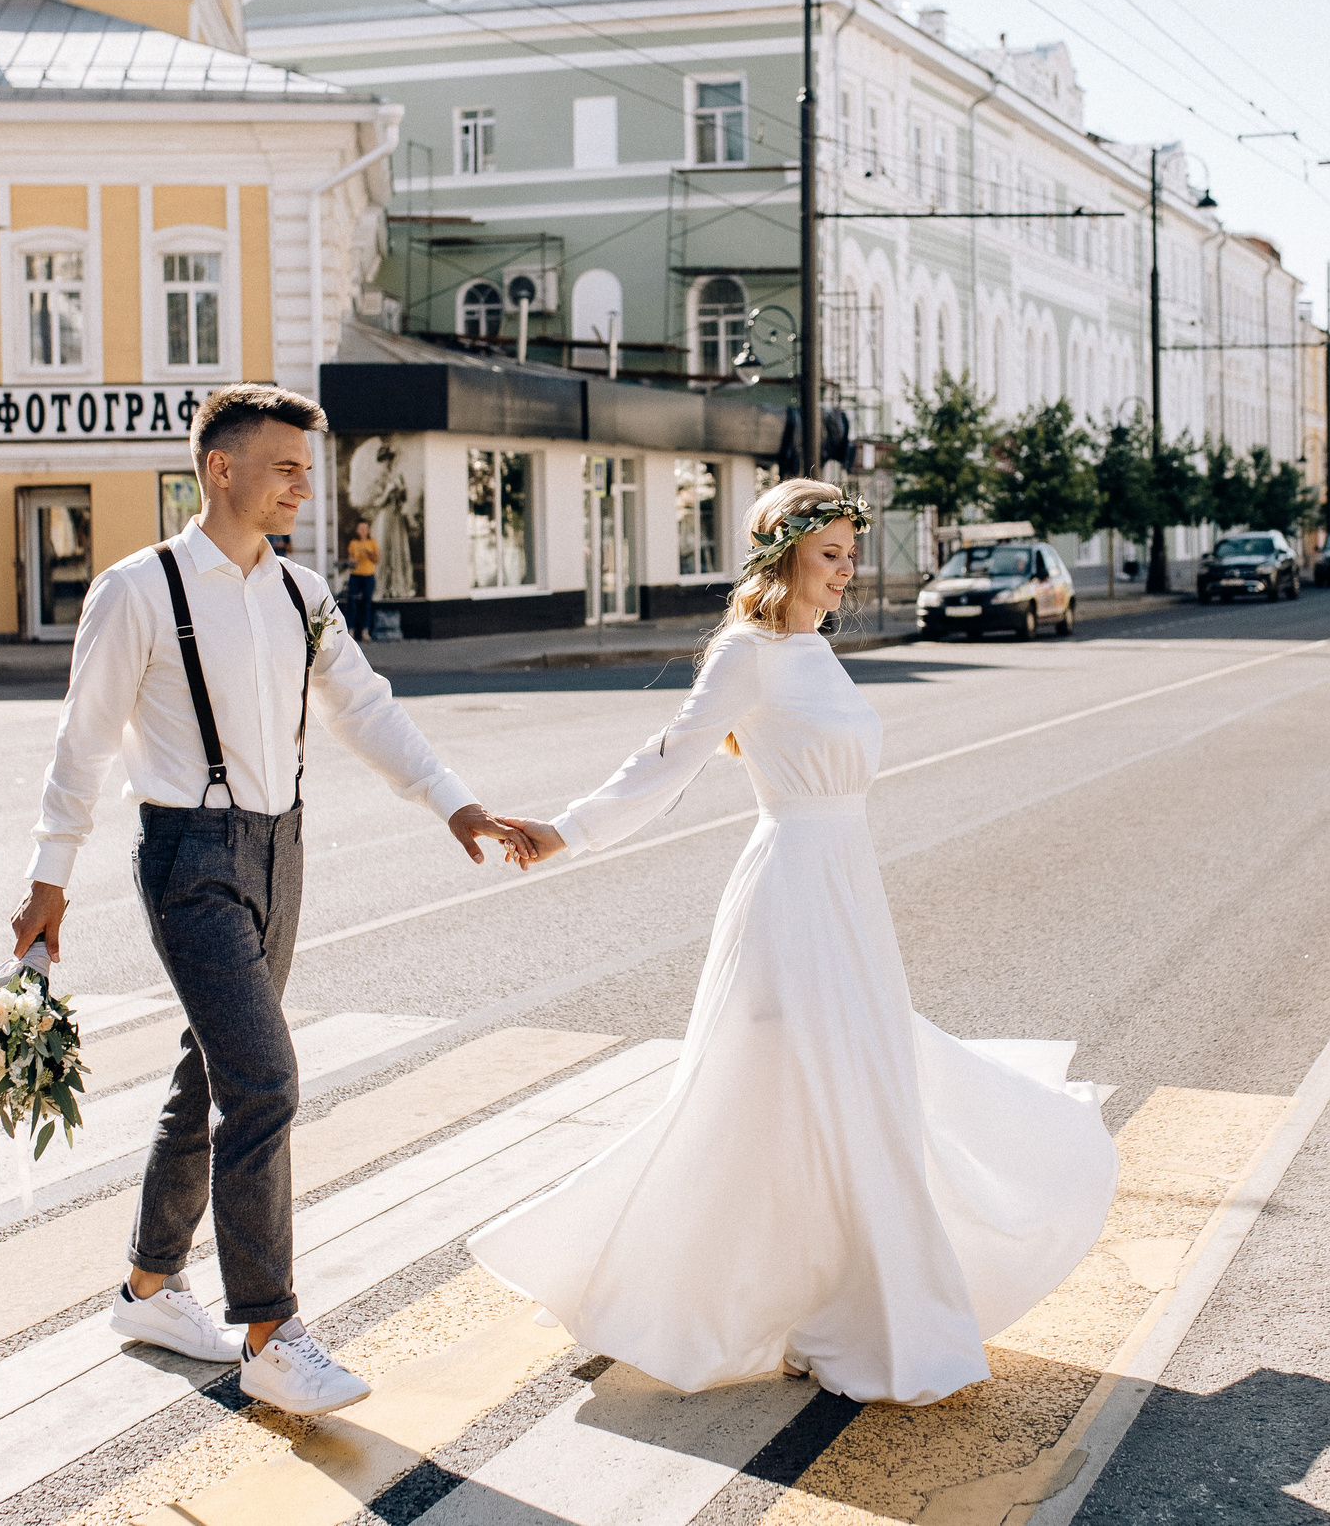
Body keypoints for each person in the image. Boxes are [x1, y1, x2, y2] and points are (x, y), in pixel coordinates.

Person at [474, 480, 1117, 1406]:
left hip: (846, 885)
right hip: (791, 896)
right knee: (806, 1090)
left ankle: (840, 1290)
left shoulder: (813, 648)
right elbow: (666, 761)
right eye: (832, 554)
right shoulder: (749, 651)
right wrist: (565, 829)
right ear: (783, 557)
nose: (848, 571)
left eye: (853, 554)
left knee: (854, 1085)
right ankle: (808, 1300)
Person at [9, 386, 535, 1416]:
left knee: (209, 1075)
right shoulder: (139, 589)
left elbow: (365, 707)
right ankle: (270, 1332)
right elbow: (80, 741)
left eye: (306, 467)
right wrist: (47, 878)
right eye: (286, 467)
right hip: (187, 857)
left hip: (279, 852)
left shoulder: (302, 593)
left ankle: (148, 1289)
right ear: (222, 469)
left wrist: (454, 805)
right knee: (265, 1084)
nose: (303, 485)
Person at [344, 521, 380, 642]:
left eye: (365, 528)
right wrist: (353, 560)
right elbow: (350, 560)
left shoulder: (372, 543)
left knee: (367, 603)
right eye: (361, 528)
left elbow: (376, 559)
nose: (363, 531)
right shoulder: (353, 543)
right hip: (356, 576)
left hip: (368, 575)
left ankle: (365, 631)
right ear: (357, 530)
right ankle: (351, 630)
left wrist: (368, 553)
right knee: (352, 603)